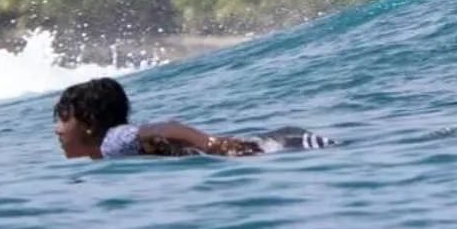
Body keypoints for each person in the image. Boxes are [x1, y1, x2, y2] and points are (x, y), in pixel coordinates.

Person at [51, 76, 336, 160]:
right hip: (264, 146)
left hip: (267, 148)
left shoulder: (113, 142)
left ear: (89, 125)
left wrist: (211, 144)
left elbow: (165, 128)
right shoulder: (107, 153)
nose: (57, 130)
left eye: (63, 119)